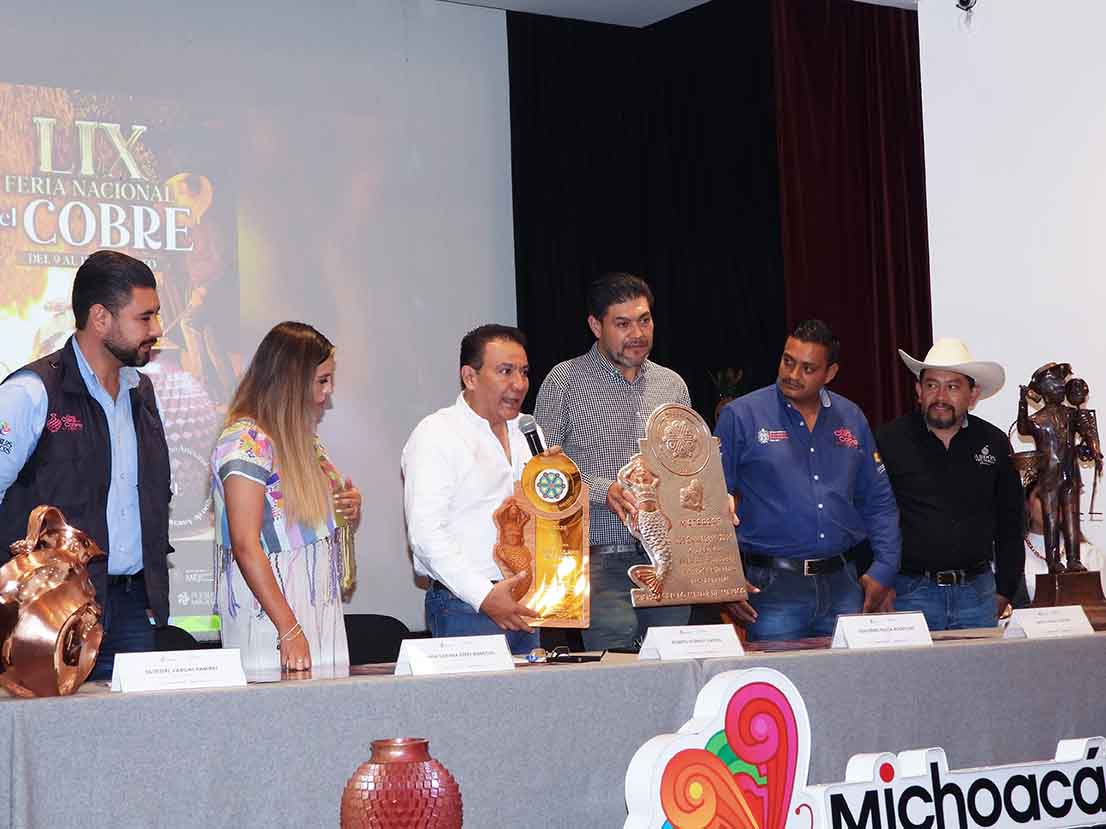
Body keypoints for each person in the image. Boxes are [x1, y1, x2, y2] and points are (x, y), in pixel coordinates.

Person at [0, 250, 172, 681]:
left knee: (138, 725)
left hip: (132, 607)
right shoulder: (31, 393)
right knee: (56, 726)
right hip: (48, 619)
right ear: (100, 318)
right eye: (145, 317)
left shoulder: (141, 393)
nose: (156, 329)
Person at [534, 273, 694, 651]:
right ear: (596, 326)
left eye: (644, 320)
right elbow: (542, 473)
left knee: (672, 663)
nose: (637, 334)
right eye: (622, 324)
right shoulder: (564, 381)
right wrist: (602, 491)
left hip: (666, 558)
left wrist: (710, 498)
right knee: (616, 668)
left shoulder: (672, 385)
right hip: (598, 559)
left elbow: (687, 465)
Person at [714, 320, 900, 641]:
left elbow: (879, 501)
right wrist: (724, 577)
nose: (793, 374)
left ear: (830, 373)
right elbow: (709, 503)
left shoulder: (851, 417)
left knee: (848, 674)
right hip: (773, 587)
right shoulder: (742, 416)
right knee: (777, 674)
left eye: (808, 368)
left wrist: (884, 568)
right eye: (788, 361)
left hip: (844, 584)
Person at [211, 322, 361, 675]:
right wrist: (289, 629)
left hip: (312, 598)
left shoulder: (298, 437)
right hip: (273, 607)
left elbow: (300, 511)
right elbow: (246, 544)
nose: (328, 391)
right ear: (292, 382)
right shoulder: (245, 442)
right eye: (322, 380)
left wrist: (345, 507)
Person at [402, 324, 540, 654]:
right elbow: (425, 534)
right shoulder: (437, 433)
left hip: (527, 600)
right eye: (505, 371)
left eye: (523, 372)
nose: (519, 384)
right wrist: (484, 595)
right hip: (465, 605)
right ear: (470, 377)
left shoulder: (528, 431)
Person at [876, 339, 1023, 629]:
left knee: (980, 663)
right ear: (919, 391)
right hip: (908, 593)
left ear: (973, 395)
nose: (940, 396)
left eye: (953, 387)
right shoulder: (888, 440)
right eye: (932, 385)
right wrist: (879, 583)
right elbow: (869, 515)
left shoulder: (994, 442)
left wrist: (1005, 589)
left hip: (978, 594)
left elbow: (1011, 521)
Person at [1015, 479, 1106, 608]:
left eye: (1059, 497)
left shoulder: (1089, 555)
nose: (1052, 504)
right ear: (1027, 503)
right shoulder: (1010, 555)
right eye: (1043, 496)